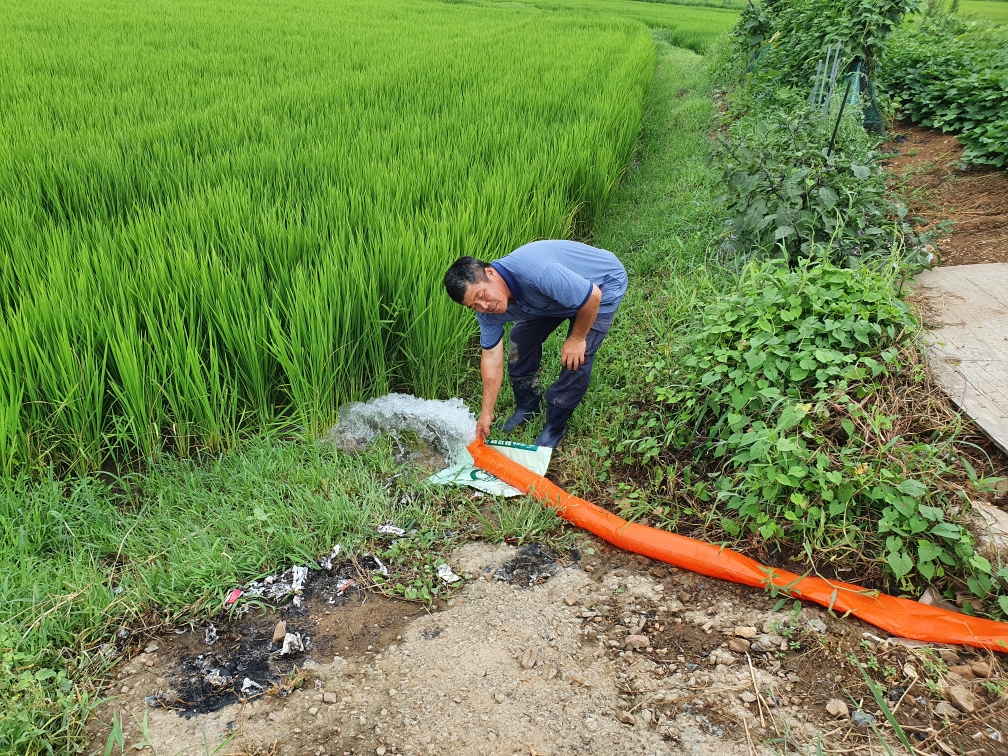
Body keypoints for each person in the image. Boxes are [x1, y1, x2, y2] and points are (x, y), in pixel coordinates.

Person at [443, 239, 627, 448]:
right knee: (521, 339)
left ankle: (555, 426)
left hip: (601, 284)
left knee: (576, 358)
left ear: (491, 273)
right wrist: (486, 413)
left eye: (482, 295)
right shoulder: (487, 312)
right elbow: (492, 357)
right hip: (554, 298)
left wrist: (577, 339)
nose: (484, 306)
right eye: (474, 305)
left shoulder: (538, 272)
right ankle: (528, 406)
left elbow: (592, 296)